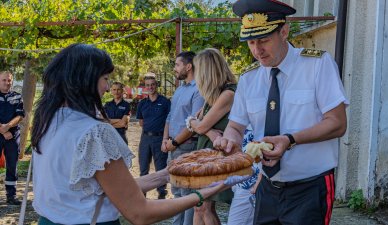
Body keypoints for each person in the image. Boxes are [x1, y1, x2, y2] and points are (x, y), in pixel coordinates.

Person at [30, 44, 244, 225]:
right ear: (85, 79)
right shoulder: (94, 133)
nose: (106, 87)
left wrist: (168, 173)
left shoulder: (49, 120)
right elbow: (139, 212)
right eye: (105, 78)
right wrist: (201, 194)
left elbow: (111, 188)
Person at [213, 0, 348, 224]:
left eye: (264, 40)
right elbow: (236, 125)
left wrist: (289, 140)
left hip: (310, 189)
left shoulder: (317, 64)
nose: (257, 50)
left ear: (284, 31)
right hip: (267, 187)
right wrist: (229, 140)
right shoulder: (249, 78)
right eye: (251, 42)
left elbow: (337, 122)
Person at [186, 48, 236, 225]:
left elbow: (199, 125)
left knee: (204, 207)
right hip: (206, 155)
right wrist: (205, 129)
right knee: (199, 206)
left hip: (217, 158)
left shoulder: (228, 93)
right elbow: (195, 122)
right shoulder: (213, 96)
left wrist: (201, 127)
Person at [161, 51, 205, 225]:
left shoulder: (198, 90)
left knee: (187, 195)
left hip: (187, 146)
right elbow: (170, 117)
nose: (175, 68)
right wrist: (166, 140)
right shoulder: (180, 89)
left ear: (188, 66)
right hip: (172, 146)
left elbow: (194, 123)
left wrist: (174, 142)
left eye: (178, 65)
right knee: (176, 192)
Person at [136, 73, 171, 199]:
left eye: (152, 84)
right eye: (147, 85)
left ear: (156, 85)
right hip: (145, 138)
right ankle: (142, 194)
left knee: (160, 167)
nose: (150, 87)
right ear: (145, 87)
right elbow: (140, 122)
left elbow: (169, 120)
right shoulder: (142, 103)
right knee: (143, 166)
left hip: (159, 138)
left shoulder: (165, 102)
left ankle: (162, 193)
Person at [0, 71, 25, 205]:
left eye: (9, 80)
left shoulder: (17, 96)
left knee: (12, 165)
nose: (7, 83)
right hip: (3, 134)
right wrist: (3, 131)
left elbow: (20, 115)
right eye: (4, 80)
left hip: (13, 135)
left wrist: (8, 126)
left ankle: (11, 196)